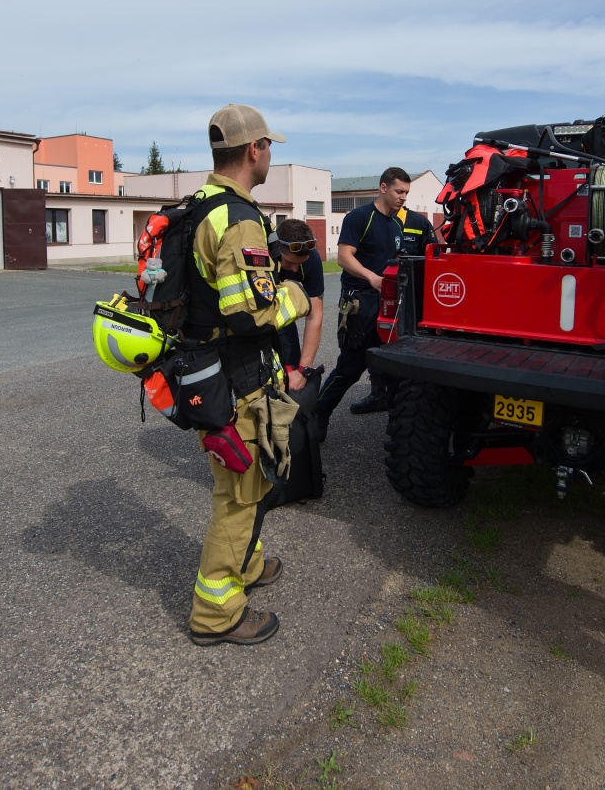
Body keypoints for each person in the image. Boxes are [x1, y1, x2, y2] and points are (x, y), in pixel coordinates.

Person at [183, 104, 310, 647]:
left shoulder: (199, 207)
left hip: (214, 373)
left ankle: (249, 564)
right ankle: (216, 613)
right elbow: (250, 312)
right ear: (253, 149)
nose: (270, 155)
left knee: (250, 484)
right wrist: (296, 296)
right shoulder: (237, 218)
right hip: (238, 380)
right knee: (237, 496)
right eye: (268, 147)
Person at [316, 168, 436, 432]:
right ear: (383, 188)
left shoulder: (396, 224)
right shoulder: (359, 217)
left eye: (406, 192)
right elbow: (344, 257)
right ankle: (316, 417)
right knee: (350, 367)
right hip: (359, 302)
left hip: (387, 305)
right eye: (399, 191)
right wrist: (372, 278)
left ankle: (399, 432)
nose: (403, 197)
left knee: (393, 369)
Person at [271, 218, 325, 387]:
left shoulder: (312, 259)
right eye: (290, 263)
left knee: (293, 371)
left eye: (299, 264)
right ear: (276, 249)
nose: (295, 270)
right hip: (253, 320)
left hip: (282, 318)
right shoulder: (263, 258)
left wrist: (303, 370)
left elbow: (315, 316)